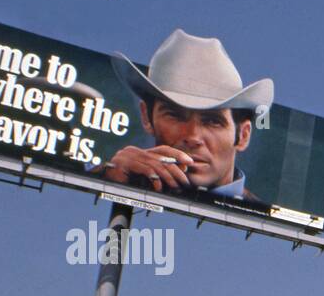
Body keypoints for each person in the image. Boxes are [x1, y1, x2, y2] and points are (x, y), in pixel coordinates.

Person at [100, 30, 274, 202]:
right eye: (174, 115)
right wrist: (104, 176)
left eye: (213, 121)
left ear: (243, 135)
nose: (192, 137)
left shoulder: (265, 216)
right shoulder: (113, 174)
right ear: (147, 117)